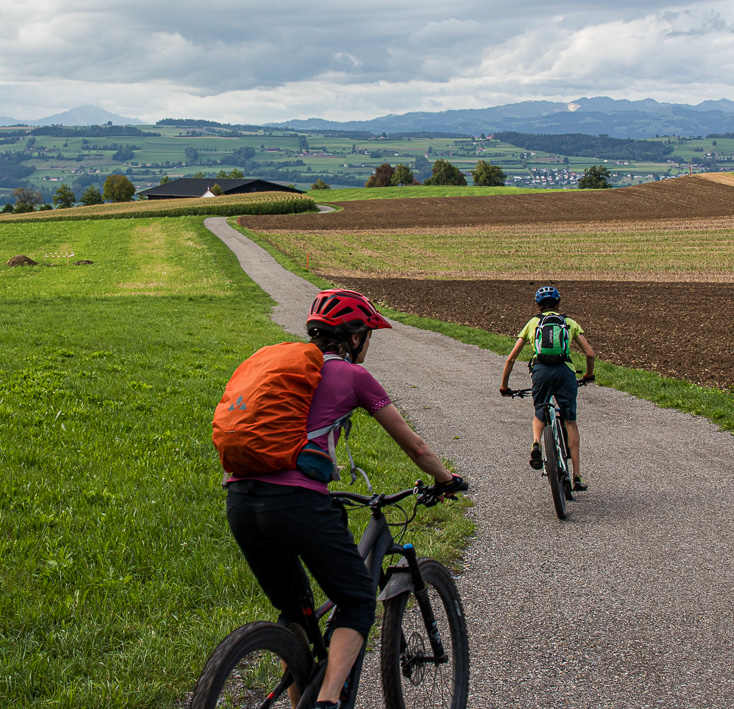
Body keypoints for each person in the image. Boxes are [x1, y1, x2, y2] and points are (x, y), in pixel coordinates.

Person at [224, 289, 466, 709]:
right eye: (368, 335)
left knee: (296, 612)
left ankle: (302, 695)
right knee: (357, 599)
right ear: (355, 337)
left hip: (241, 500)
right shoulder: (353, 376)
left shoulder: (282, 368)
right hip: (296, 503)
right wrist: (446, 480)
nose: (368, 344)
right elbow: (415, 447)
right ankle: (328, 701)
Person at [499, 285, 596, 491]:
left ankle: (536, 442)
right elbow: (590, 354)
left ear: (538, 305)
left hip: (541, 372)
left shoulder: (533, 323)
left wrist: (504, 386)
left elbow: (511, 359)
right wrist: (588, 375)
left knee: (539, 412)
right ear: (558, 303)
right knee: (570, 421)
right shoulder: (569, 323)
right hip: (565, 372)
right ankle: (577, 476)